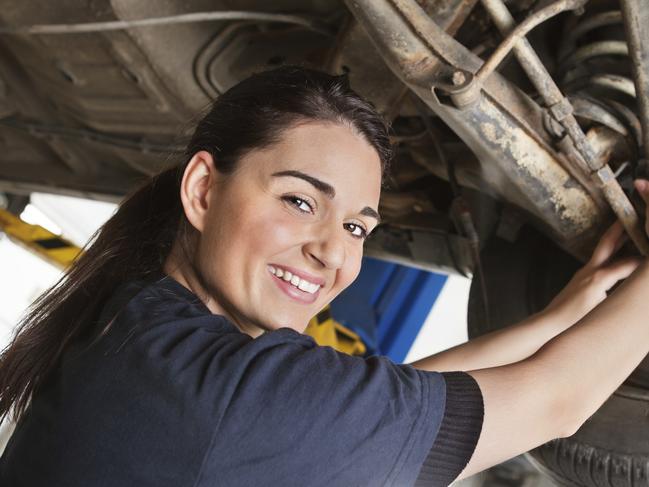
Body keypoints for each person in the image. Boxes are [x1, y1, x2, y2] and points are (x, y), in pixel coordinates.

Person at [0, 65, 648, 487]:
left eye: (358, 227)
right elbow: (557, 402)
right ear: (201, 189)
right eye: (300, 201)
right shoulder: (236, 393)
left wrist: (559, 317)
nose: (332, 254)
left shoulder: (136, 323)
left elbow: (392, 397)